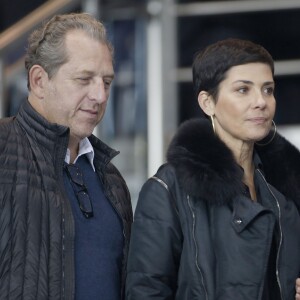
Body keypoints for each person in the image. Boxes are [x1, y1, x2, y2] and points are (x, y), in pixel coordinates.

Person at [126, 38, 300, 300]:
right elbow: (146, 291)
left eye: (268, 89)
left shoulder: (286, 187)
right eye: (243, 90)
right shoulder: (169, 188)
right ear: (207, 103)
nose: (261, 102)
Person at [0, 12, 133, 299]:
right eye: (84, 79)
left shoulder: (112, 179)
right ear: (38, 81)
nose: (99, 95)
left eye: (107, 82)